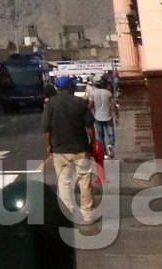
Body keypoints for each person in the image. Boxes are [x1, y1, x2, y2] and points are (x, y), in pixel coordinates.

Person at [43, 76, 100, 223]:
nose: (74, 88)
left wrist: (49, 145)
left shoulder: (51, 104)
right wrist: (92, 144)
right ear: (69, 88)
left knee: (64, 182)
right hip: (80, 147)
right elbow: (89, 127)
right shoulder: (80, 103)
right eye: (73, 86)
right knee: (84, 180)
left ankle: (68, 213)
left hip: (60, 150)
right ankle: (87, 214)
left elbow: (47, 128)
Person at [84, 73, 118, 160]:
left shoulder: (93, 93)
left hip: (97, 118)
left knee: (101, 136)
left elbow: (90, 105)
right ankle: (110, 144)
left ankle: (105, 153)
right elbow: (113, 105)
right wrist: (116, 116)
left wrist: (86, 113)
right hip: (108, 117)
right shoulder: (108, 93)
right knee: (111, 135)